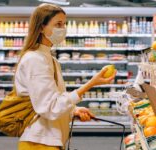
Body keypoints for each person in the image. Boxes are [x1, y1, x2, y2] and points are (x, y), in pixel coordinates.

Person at [16, 3, 116, 150]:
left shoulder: (50, 59)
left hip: (51, 141)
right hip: (39, 142)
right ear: (42, 27)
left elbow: (53, 100)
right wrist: (90, 84)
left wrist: (72, 111)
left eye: (64, 24)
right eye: (58, 24)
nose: (63, 29)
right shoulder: (34, 60)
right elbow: (50, 107)